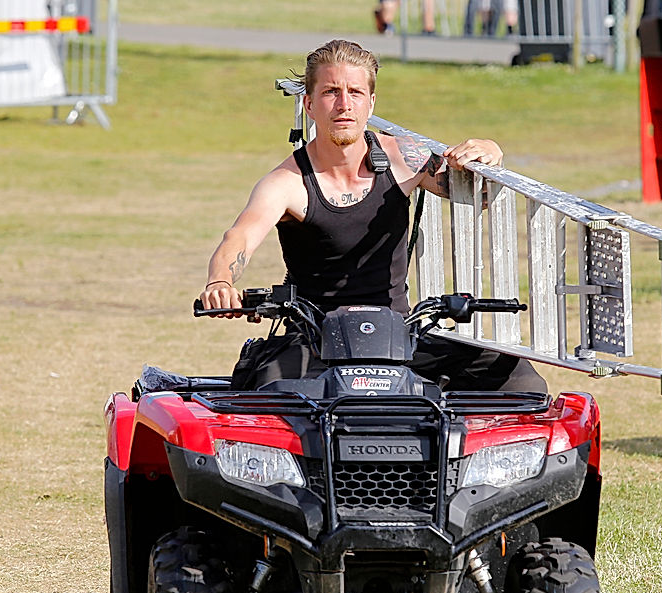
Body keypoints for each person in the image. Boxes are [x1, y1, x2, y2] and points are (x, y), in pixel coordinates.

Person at [198, 39, 545, 394]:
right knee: (274, 394)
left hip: (399, 334)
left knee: (519, 381)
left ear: (371, 102)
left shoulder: (405, 157)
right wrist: (219, 284)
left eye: (355, 92)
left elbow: (477, 194)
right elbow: (238, 237)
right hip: (315, 342)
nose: (344, 105)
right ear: (309, 103)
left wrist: (490, 153)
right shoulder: (285, 184)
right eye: (331, 91)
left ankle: (461, 450)